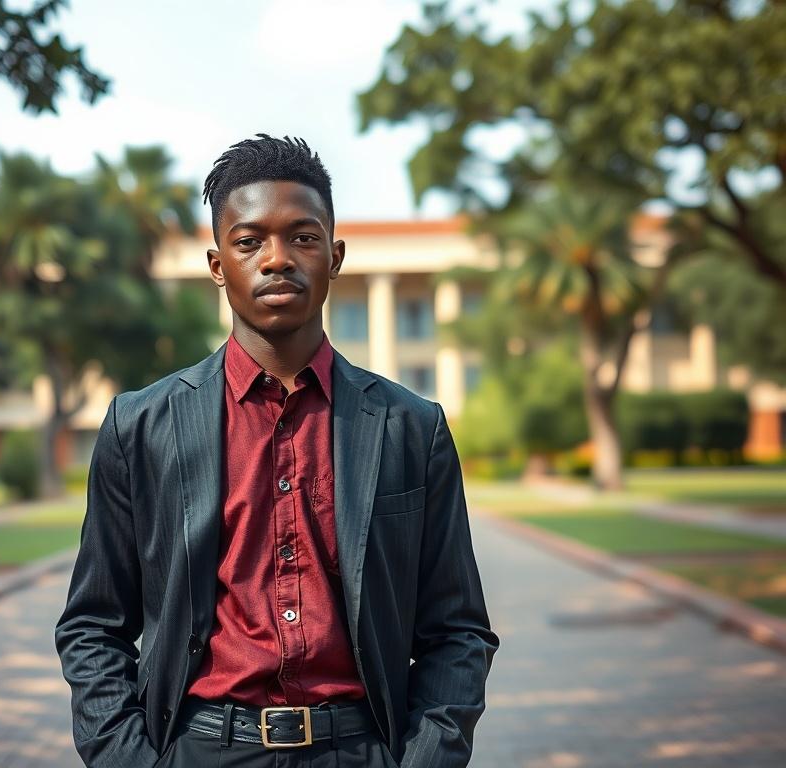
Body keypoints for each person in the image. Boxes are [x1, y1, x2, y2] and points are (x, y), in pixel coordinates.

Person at [55, 134, 499, 768]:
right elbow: (93, 626)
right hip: (199, 748)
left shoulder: (410, 426)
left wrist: (427, 758)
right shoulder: (141, 427)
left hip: (363, 748)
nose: (276, 259)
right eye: (249, 242)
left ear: (335, 257)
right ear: (217, 265)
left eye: (303, 238)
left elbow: (457, 629)